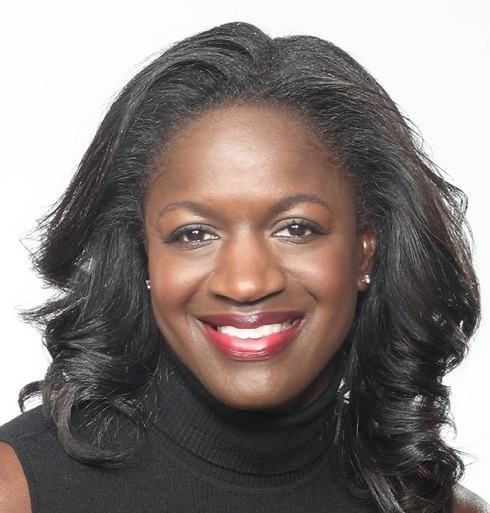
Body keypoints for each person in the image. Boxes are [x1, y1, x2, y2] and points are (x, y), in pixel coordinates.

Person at [0, 21, 487, 513]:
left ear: (365, 250)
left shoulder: (436, 506)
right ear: (144, 254)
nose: (246, 283)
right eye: (194, 234)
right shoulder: (17, 490)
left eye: (296, 228)